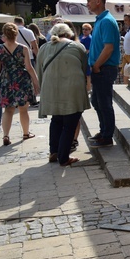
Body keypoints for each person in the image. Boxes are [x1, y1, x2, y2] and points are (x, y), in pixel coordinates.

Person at [36, 23, 90, 166]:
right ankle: (64, 157)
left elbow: (39, 70)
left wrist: (43, 88)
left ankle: (54, 151)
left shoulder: (44, 48)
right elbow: (84, 68)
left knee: (56, 119)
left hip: (51, 88)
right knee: (70, 122)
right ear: (68, 34)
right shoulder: (78, 47)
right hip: (73, 88)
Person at [0, 23, 40, 146]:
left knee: (8, 110)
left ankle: (6, 135)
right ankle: (25, 133)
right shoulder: (24, 48)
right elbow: (29, 67)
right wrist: (36, 81)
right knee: (23, 109)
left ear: (4, 34)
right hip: (21, 80)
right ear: (16, 34)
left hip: (5, 80)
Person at [86, 0, 120, 148]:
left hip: (104, 68)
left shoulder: (106, 21)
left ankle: (107, 136)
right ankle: (104, 131)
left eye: (89, 1)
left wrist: (97, 65)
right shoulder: (101, 20)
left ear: (98, 1)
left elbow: (108, 48)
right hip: (100, 67)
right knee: (97, 101)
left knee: (104, 102)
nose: (88, 4)